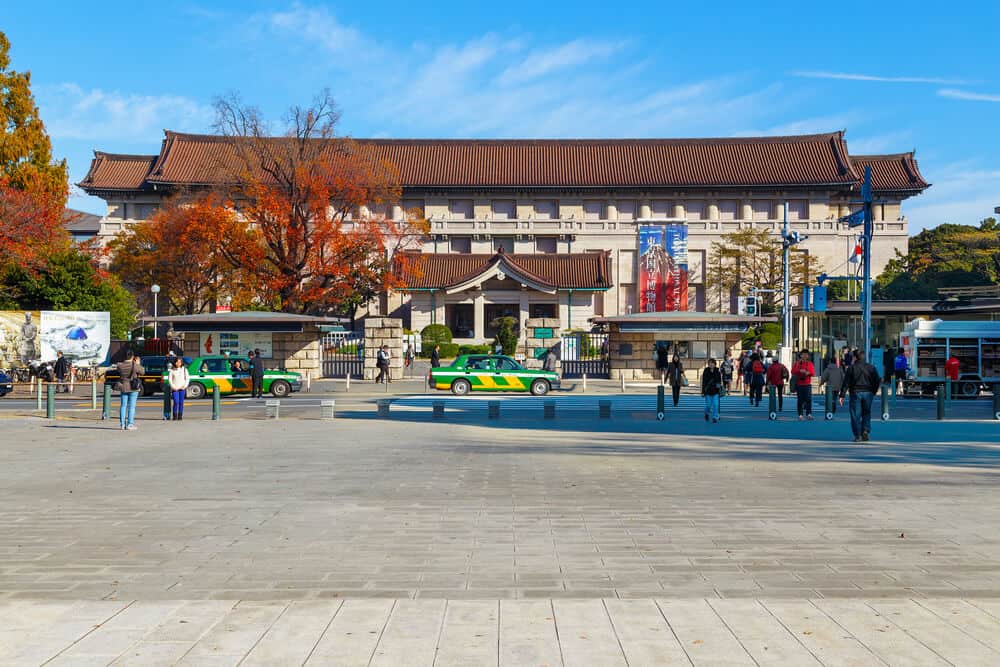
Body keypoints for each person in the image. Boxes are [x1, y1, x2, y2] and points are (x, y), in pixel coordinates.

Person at [840, 349, 881, 442]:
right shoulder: (871, 367)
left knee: (855, 414)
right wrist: (873, 391)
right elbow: (877, 380)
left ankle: (858, 435)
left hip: (855, 392)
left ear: (854, 357)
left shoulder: (851, 368)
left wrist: (842, 395)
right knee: (866, 412)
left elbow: (846, 383)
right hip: (868, 393)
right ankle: (865, 430)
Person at [116, 352, 143, 431]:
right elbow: (143, 371)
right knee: (131, 406)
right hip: (133, 387)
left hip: (123, 386)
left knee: (123, 405)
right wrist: (138, 363)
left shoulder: (120, 365)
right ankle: (130, 424)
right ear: (132, 357)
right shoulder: (135, 365)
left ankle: (122, 424)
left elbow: (118, 369)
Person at [791, 350, 816, 420]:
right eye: (803, 354)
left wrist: (808, 373)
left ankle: (809, 414)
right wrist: (799, 371)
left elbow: (813, 373)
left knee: (808, 400)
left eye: (806, 354)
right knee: (800, 400)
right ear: (801, 355)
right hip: (799, 384)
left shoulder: (810, 364)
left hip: (807, 384)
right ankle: (800, 415)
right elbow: (792, 371)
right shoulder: (797, 363)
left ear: (808, 356)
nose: (805, 356)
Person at [701, 357, 722, 423]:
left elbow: (719, 381)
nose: (711, 364)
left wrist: (719, 390)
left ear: (715, 364)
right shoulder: (706, 371)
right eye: (709, 363)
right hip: (708, 391)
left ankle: (715, 417)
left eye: (712, 363)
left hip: (715, 391)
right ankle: (706, 413)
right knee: (708, 405)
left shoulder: (717, 371)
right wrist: (703, 391)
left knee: (716, 405)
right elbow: (704, 381)